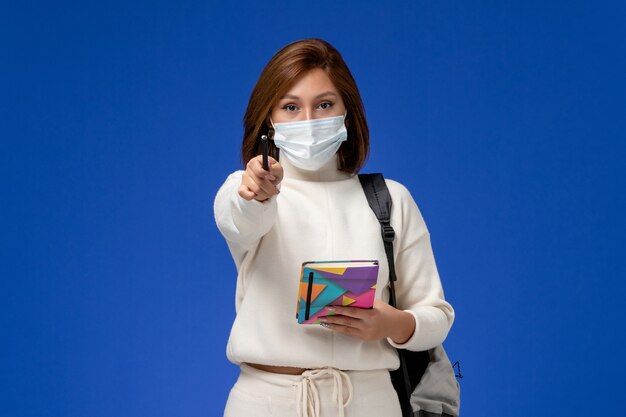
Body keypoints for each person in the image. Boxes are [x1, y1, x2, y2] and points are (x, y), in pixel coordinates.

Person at [213, 38, 455, 417]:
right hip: (266, 403)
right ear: (270, 121)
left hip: (369, 402)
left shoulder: (391, 200)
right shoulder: (245, 192)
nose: (309, 121)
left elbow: (437, 315)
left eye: (324, 104)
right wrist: (256, 192)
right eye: (291, 107)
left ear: (347, 111)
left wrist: (394, 324)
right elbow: (241, 218)